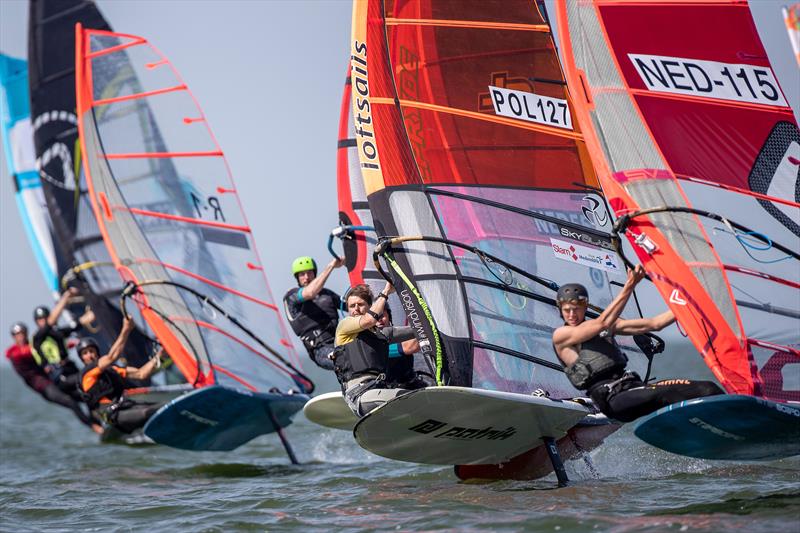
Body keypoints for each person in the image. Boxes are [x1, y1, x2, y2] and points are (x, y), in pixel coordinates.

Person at [552, 265, 723, 422]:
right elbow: (602, 323)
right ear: (560, 309)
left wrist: (691, 302)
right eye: (567, 310)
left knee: (707, 389)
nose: (572, 314)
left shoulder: (606, 325)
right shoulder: (562, 336)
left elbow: (655, 324)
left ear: (585, 306)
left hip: (634, 387)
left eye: (576, 309)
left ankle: (726, 422)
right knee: (665, 394)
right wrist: (630, 284)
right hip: (613, 400)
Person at [332, 282, 424, 417]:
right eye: (352, 306)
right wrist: (386, 291)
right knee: (408, 399)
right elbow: (369, 320)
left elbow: (417, 331)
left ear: (370, 307)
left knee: (415, 397)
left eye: (360, 304)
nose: (355, 309)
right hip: (361, 395)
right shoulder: (344, 326)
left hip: (378, 390)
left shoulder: (381, 334)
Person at [5, 322, 101, 433]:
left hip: (54, 382)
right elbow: (29, 351)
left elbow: (46, 348)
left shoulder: (32, 345)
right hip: (45, 387)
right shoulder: (14, 352)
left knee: (87, 397)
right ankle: (95, 428)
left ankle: (100, 422)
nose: (21, 336)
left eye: (23, 333)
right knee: (71, 402)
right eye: (17, 334)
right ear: (13, 337)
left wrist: (72, 344)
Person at [78, 317, 165, 434]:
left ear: (97, 352)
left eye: (91, 351)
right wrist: (126, 329)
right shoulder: (87, 374)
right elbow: (112, 357)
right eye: (85, 353)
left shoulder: (113, 369)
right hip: (114, 416)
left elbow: (141, 374)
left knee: (165, 407)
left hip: (127, 406)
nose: (89, 355)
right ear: (82, 358)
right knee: (148, 412)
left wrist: (160, 355)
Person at [283, 255, 345, 370]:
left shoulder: (327, 295)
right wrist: (331, 266)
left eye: (309, 273)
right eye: (302, 274)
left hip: (340, 342)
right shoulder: (291, 297)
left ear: (315, 274)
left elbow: (353, 304)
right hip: (320, 349)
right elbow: (310, 292)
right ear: (297, 278)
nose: (306, 277)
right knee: (343, 359)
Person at [31, 287, 90, 388]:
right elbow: (50, 322)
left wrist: (98, 306)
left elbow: (80, 322)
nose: (43, 321)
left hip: (71, 368)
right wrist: (66, 296)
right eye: (40, 319)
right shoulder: (37, 338)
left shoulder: (57, 333)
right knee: (87, 379)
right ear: (36, 322)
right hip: (60, 376)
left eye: (45, 318)